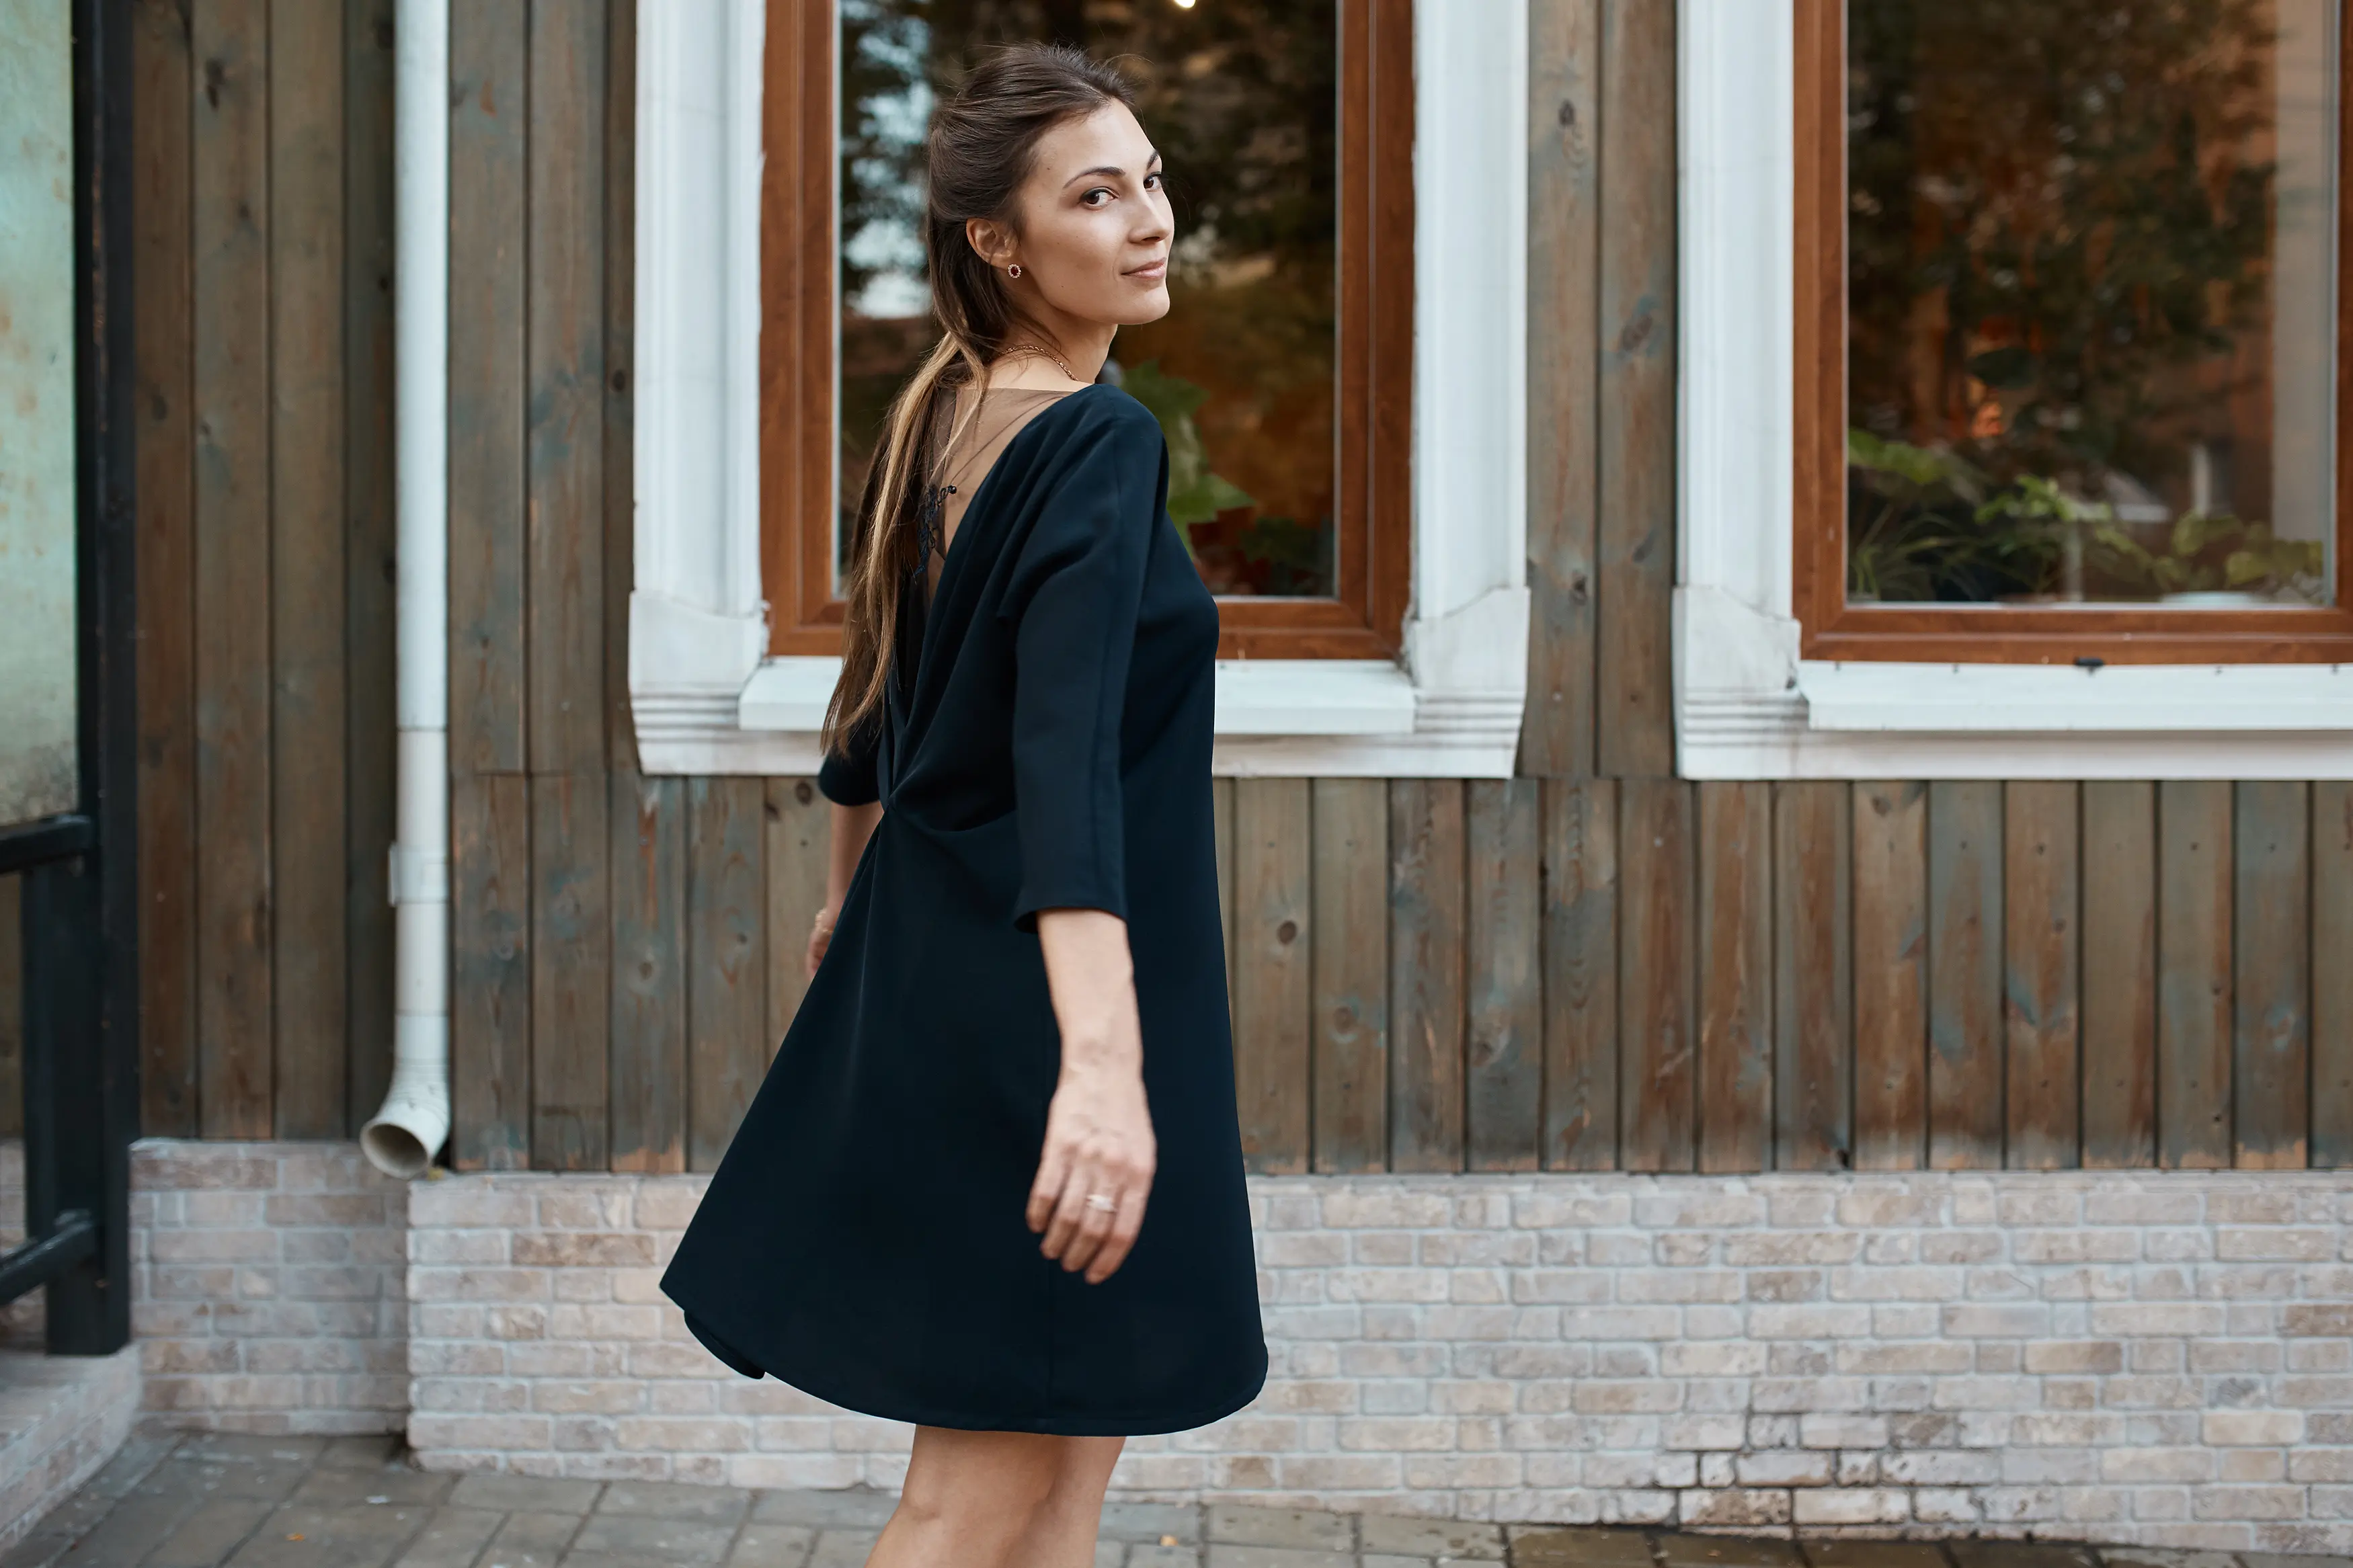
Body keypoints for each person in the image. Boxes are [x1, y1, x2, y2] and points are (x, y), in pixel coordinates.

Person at [655, 40, 1268, 1568]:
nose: (1149, 219)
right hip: (1053, 1004)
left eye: (1151, 179)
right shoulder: (1097, 439)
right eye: (1096, 193)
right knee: (976, 1493)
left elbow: (877, 701)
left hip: (961, 959)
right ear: (998, 241)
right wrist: (1105, 1069)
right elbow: (1054, 768)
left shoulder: (948, 407)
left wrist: (847, 890)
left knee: (1064, 1465)